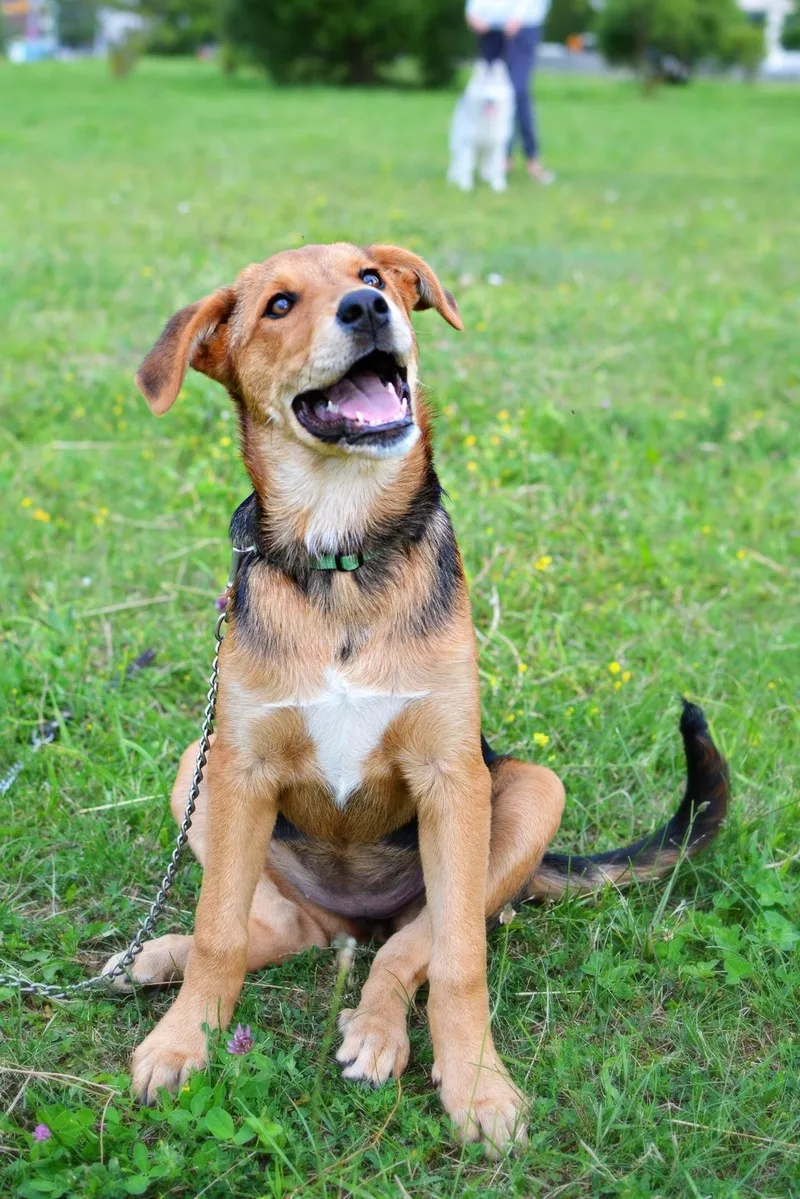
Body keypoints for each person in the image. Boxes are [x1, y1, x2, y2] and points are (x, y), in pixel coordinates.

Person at [465, 0, 554, 185]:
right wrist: (472, 12)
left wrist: (517, 16)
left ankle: (531, 159)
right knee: (488, 97)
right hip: (491, 29)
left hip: (523, 27)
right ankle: (498, 159)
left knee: (518, 92)